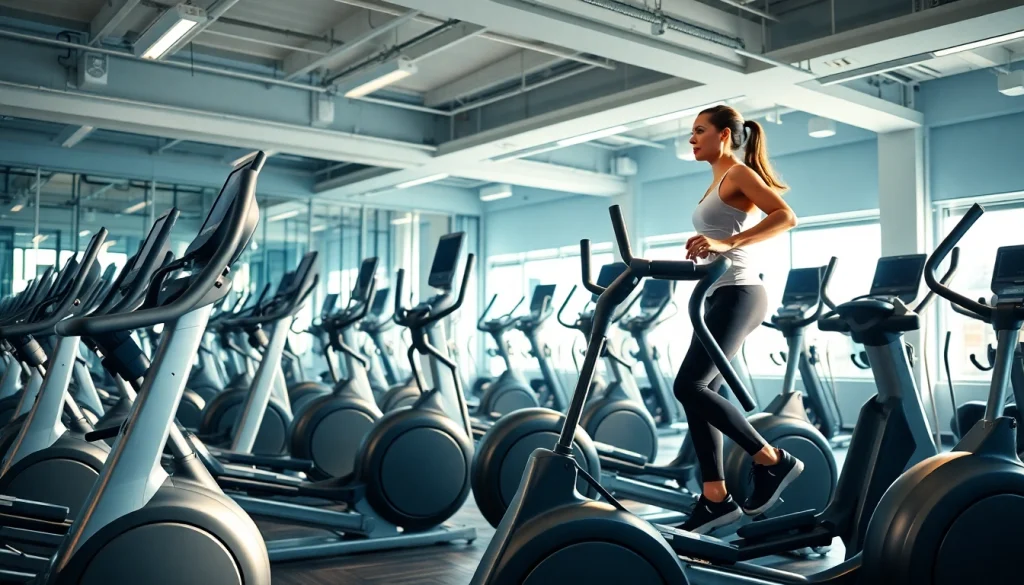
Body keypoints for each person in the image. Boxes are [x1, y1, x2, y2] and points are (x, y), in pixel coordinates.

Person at [676, 105, 801, 534]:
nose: (692, 138)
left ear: (725, 135)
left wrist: (725, 241)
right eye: (691, 132)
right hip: (717, 295)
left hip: (742, 292)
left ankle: (772, 459)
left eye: (699, 131)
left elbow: (785, 216)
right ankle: (715, 498)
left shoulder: (739, 173)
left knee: (688, 385)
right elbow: (718, 240)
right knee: (699, 392)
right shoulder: (716, 181)